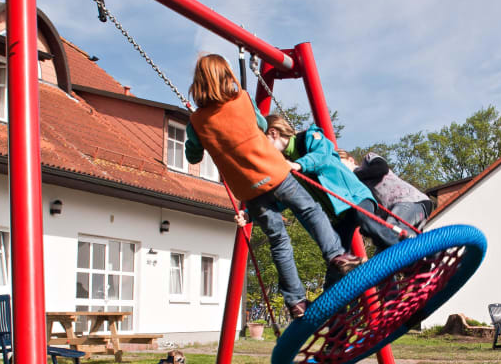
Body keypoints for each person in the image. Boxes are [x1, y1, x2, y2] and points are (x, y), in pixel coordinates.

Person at [185, 54, 360, 319]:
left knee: (278, 240)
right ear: (227, 76)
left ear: (199, 82)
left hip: (249, 191)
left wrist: (197, 137)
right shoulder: (241, 99)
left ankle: (296, 301)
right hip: (275, 173)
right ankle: (336, 256)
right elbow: (262, 124)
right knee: (311, 211)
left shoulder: (197, 123)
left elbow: (193, 156)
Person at [263, 116, 399, 288]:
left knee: (367, 223)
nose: (264, 151)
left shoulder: (308, 138)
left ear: (273, 133)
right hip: (339, 216)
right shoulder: (285, 165)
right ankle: (334, 302)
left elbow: (322, 155)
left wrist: (299, 164)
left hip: (355, 197)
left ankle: (407, 252)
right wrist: (249, 214)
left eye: (264, 143)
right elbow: (283, 197)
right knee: (338, 260)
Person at [341, 150, 433, 233]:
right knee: (387, 240)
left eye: (341, 165)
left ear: (351, 160)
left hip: (410, 200)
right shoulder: (353, 187)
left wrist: (354, 176)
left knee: (393, 229)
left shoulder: (367, 160)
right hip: (393, 212)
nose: (340, 170)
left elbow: (381, 168)